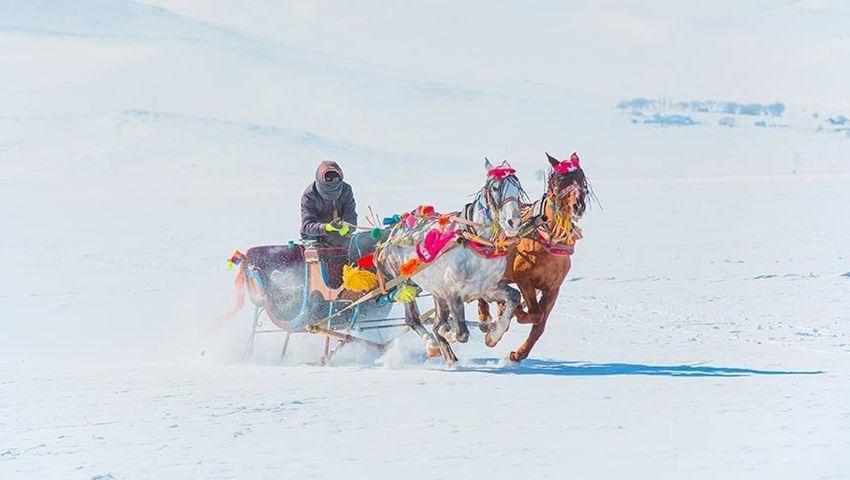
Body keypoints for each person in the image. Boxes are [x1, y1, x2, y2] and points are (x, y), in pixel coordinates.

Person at [300, 160, 357, 248]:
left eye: (335, 178)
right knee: (317, 253)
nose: (332, 181)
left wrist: (348, 227)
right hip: (313, 236)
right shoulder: (310, 195)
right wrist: (327, 227)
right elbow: (307, 226)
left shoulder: (346, 190)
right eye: (329, 178)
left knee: (355, 248)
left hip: (338, 236)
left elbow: (351, 215)